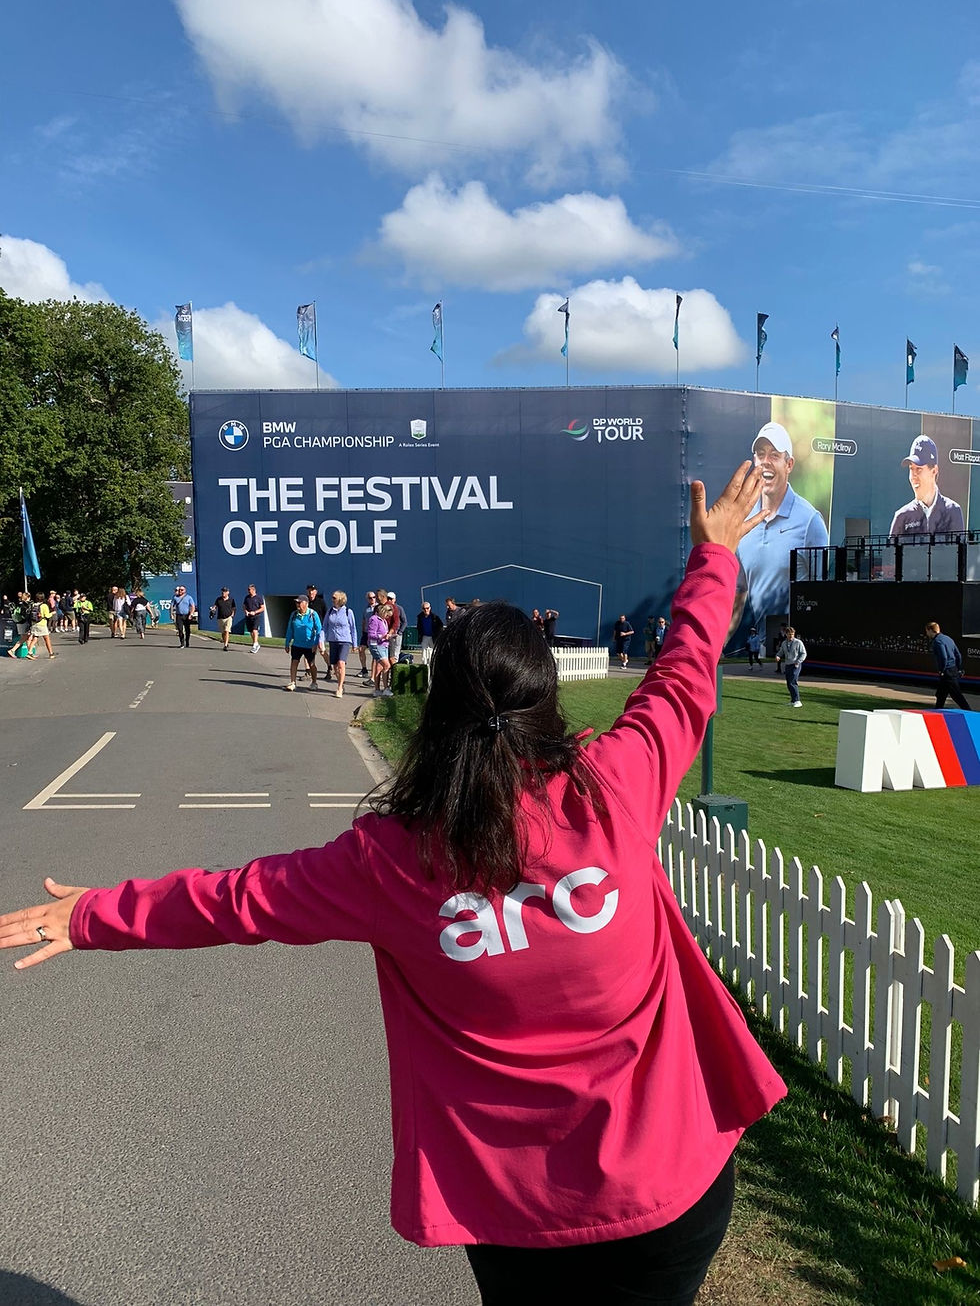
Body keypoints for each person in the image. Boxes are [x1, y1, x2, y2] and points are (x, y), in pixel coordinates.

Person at [0, 464, 784, 1306]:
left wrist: (92, 915)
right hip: (673, 1188)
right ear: (548, 701)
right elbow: (686, 668)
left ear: (439, 709)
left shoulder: (390, 860)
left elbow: (234, 900)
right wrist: (716, 553)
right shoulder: (617, 784)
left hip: (514, 1212)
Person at [732, 422, 829, 636]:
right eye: (760, 454)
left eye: (775, 455)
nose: (766, 462)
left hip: (796, 645)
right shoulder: (744, 520)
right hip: (760, 647)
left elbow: (822, 594)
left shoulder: (810, 521)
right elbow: (739, 592)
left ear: (789, 464)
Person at [889, 437, 965, 538]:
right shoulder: (901, 517)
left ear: (934, 471)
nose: (913, 476)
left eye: (919, 469)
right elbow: (890, 553)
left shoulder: (953, 511)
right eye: (911, 469)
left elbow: (959, 552)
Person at [925, 621, 972, 710]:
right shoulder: (948, 639)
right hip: (953, 669)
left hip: (947, 672)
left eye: (927, 631)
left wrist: (942, 670)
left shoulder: (937, 642)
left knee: (957, 695)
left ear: (931, 630)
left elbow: (944, 657)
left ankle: (970, 713)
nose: (927, 634)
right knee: (941, 695)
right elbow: (958, 655)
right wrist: (959, 668)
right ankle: (937, 712)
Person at [283, 595, 322, 692]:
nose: (297, 604)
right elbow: (289, 629)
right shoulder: (294, 615)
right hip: (297, 644)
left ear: (306, 603)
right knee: (294, 662)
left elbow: (319, 630)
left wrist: (316, 643)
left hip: (309, 644)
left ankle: (314, 682)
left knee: (311, 664)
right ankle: (293, 682)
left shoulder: (313, 614)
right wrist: (287, 643)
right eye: (297, 602)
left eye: (299, 602)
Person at [324, 591, 359, 698]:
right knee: (334, 665)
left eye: (334, 597)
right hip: (333, 640)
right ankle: (341, 683)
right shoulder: (330, 611)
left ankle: (339, 688)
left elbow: (353, 628)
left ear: (340, 599)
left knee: (341, 663)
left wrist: (355, 643)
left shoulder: (348, 612)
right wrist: (322, 640)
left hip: (345, 640)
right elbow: (324, 626)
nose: (332, 599)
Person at [775, 625, 807, 707]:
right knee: (789, 683)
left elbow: (803, 653)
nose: (791, 636)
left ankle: (797, 701)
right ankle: (793, 701)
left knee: (793, 682)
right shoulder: (784, 643)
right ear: (786, 634)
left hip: (795, 665)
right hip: (788, 664)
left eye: (792, 634)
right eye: (789, 634)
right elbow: (781, 651)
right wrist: (778, 656)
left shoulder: (798, 642)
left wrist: (798, 661)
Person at [366, 602, 393, 697]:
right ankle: (385, 688)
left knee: (380, 667)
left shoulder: (384, 621)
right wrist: (382, 636)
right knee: (386, 665)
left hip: (384, 645)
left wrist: (388, 636)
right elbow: (371, 634)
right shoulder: (374, 619)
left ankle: (377, 690)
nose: (387, 617)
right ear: (383, 612)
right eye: (387, 615)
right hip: (376, 645)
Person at [416, 600, 443, 665]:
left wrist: (437, 634)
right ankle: (424, 667)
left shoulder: (434, 617)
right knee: (424, 653)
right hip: (424, 636)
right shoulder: (420, 617)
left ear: (430, 608)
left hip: (433, 637)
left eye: (427, 608)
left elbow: (440, 626)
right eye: (424, 608)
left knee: (432, 652)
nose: (426, 610)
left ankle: (432, 666)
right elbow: (419, 626)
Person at [358, 590, 377, 680]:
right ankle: (364, 669)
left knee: (374, 653)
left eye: (374, 597)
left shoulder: (378, 607)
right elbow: (364, 620)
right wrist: (362, 630)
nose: (372, 599)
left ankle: (375, 673)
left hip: (374, 634)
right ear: (367, 599)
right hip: (366, 633)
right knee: (361, 649)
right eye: (370, 598)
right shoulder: (366, 609)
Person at [387, 590, 408, 668]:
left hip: (396, 635)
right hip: (386, 635)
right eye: (388, 598)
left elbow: (404, 621)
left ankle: (394, 673)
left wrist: (399, 632)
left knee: (395, 655)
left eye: (391, 599)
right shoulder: (385, 608)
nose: (389, 600)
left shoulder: (399, 608)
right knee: (387, 655)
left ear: (394, 599)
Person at [242, 584, 265, 653]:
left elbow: (262, 608)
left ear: (253, 590)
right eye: (248, 590)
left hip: (256, 616)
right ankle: (256, 644)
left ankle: (254, 644)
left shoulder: (258, 598)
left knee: (255, 630)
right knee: (251, 631)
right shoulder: (247, 598)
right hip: (249, 616)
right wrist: (246, 611)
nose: (248, 591)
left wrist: (255, 612)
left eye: (249, 590)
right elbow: (244, 606)